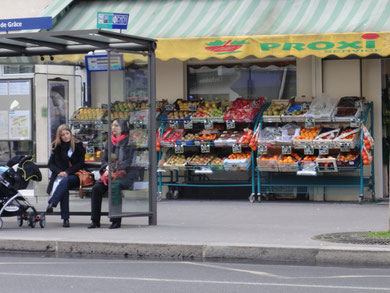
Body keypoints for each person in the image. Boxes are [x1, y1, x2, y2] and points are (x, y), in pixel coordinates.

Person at [88, 118, 136, 229]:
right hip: (110, 173)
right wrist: (107, 168)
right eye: (112, 125)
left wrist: (113, 167)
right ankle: (95, 220)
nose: (113, 128)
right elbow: (104, 160)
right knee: (96, 189)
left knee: (115, 186)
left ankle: (116, 220)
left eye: (116, 126)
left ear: (123, 128)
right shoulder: (110, 141)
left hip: (125, 174)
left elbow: (129, 161)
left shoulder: (130, 141)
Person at [46, 124, 85, 228]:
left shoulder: (78, 145)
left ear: (70, 133)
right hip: (61, 176)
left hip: (75, 176)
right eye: (63, 135)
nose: (66, 136)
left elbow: (80, 164)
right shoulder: (56, 146)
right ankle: (65, 219)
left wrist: (67, 172)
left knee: (65, 181)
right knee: (64, 186)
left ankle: (52, 203)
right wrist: (60, 172)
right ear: (60, 136)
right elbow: (50, 164)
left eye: (67, 133)